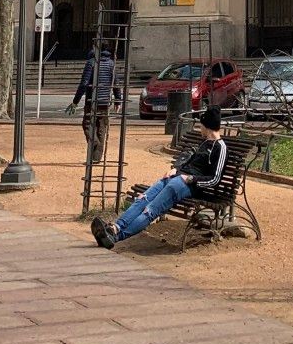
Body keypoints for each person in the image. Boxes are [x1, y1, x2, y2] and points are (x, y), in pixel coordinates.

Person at [91, 104, 227, 247]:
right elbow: (190, 163)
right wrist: (176, 170)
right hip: (177, 178)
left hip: (188, 185)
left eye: (201, 125)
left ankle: (115, 238)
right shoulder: (205, 143)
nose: (200, 128)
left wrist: (190, 178)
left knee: (149, 211)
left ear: (207, 126)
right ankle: (114, 228)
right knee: (142, 199)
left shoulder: (220, 147)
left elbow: (215, 179)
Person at [66, 44, 123, 164]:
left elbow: (84, 83)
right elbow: (116, 82)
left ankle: (95, 143)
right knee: (101, 127)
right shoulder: (111, 64)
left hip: (91, 100)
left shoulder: (91, 62)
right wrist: (118, 99)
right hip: (105, 101)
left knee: (87, 124)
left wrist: (75, 101)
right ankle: (96, 158)